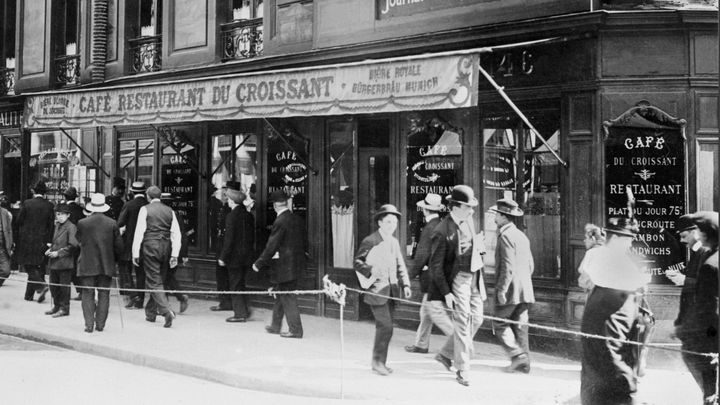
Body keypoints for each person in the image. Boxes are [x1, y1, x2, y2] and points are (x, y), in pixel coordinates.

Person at [580, 217, 650, 405]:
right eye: (628, 240)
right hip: (609, 320)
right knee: (611, 363)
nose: (629, 244)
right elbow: (621, 281)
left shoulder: (607, 255)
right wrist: (642, 279)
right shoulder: (604, 255)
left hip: (611, 317)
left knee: (606, 364)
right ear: (617, 238)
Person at [427, 185, 486, 386]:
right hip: (457, 279)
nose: (472, 210)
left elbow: (474, 246)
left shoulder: (469, 221)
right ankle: (463, 369)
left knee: (477, 319)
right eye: (468, 207)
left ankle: (445, 353)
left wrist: (480, 247)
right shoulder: (441, 230)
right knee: (462, 323)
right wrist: (447, 293)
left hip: (474, 276)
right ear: (457, 206)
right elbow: (435, 267)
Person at [354, 204, 411, 376]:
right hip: (376, 291)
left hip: (391, 291)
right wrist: (371, 270)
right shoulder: (370, 240)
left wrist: (406, 284)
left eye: (394, 222)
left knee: (387, 328)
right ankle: (377, 362)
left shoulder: (393, 241)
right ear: (379, 222)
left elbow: (400, 264)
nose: (392, 225)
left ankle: (380, 362)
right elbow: (357, 262)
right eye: (388, 222)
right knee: (385, 326)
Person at [252, 189, 307, 339]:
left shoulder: (280, 221)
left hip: (284, 266)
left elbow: (272, 245)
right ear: (286, 203)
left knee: (287, 297)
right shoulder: (296, 218)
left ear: (275, 205)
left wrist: (259, 262)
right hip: (295, 264)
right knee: (281, 294)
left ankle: (296, 330)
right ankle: (275, 326)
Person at [489, 197, 535, 374]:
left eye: (497, 215)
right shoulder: (521, 235)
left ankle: (517, 355)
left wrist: (502, 289)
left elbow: (507, 266)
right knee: (520, 325)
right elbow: (530, 265)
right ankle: (525, 363)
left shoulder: (505, 236)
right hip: (525, 289)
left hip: (511, 290)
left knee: (500, 323)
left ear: (503, 216)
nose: (495, 218)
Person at [404, 193, 454, 355]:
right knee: (426, 312)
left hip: (432, 277)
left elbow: (421, 255)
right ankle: (421, 344)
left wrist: (408, 276)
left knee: (435, 312)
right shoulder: (439, 224)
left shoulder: (429, 228)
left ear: (425, 209)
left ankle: (459, 342)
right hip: (438, 276)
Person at [681, 211, 719, 405]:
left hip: (709, 331)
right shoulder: (709, 254)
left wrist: (687, 327)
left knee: (706, 371)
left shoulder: (709, 261)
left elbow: (708, 302)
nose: (697, 235)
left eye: (699, 231)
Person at [132, 186, 181, 328]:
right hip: (166, 246)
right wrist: (175, 254)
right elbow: (176, 234)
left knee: (154, 281)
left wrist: (135, 253)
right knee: (160, 279)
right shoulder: (170, 211)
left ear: (148, 196)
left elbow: (139, 232)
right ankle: (151, 312)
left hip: (150, 246)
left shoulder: (145, 209)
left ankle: (166, 311)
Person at [76, 194, 124, 333]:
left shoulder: (82, 223)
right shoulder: (112, 223)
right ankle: (100, 325)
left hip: (88, 263)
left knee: (87, 293)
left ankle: (89, 325)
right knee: (104, 294)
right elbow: (119, 246)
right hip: (106, 264)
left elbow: (79, 240)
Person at [219, 189, 255, 322]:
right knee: (241, 283)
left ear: (233, 201)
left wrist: (223, 257)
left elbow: (229, 239)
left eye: (228, 199)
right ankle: (245, 309)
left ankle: (240, 314)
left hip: (234, 257)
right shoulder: (248, 215)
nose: (227, 201)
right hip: (247, 256)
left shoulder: (231, 216)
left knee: (235, 284)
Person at [15, 180, 55, 303]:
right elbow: (51, 226)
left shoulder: (27, 203)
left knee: (29, 266)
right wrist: (49, 241)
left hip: (27, 240)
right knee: (39, 267)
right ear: (44, 193)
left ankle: (41, 286)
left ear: (34, 191)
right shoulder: (49, 205)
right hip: (43, 240)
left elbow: (18, 221)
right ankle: (29, 295)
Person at [117, 181, 149, 309]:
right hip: (145, 243)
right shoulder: (148, 205)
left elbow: (120, 222)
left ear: (132, 192)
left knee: (126, 270)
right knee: (141, 273)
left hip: (129, 242)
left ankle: (133, 295)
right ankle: (140, 300)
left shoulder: (129, 205)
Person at [44, 203, 79, 318]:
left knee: (64, 287)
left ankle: (64, 308)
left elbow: (73, 245)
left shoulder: (71, 227)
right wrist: (50, 250)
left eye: (62, 214)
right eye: (58, 214)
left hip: (64, 262)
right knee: (53, 286)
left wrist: (58, 253)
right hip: (54, 262)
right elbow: (55, 242)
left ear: (68, 215)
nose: (59, 217)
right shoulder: (57, 226)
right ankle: (56, 306)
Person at [160, 192, 190, 314]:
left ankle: (170, 303)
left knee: (164, 278)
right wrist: (184, 254)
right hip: (174, 252)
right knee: (166, 278)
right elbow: (184, 236)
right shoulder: (177, 215)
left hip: (165, 251)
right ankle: (169, 302)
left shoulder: (164, 216)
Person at [209, 182, 234, 312]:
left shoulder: (231, 209)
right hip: (220, 246)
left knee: (227, 276)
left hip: (228, 248)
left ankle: (227, 302)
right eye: (223, 194)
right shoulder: (222, 207)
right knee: (221, 276)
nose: (224, 196)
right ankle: (224, 301)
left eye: (227, 194)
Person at [63, 186, 85, 300]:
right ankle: (80, 290)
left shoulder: (63, 209)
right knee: (76, 266)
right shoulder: (81, 209)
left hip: (65, 241)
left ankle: (64, 291)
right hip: (78, 241)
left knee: (64, 267)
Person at [577, 224, 606, 291]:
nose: (584, 240)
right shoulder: (605, 250)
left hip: (593, 289)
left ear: (593, 239)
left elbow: (581, 269)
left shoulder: (591, 252)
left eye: (586, 238)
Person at [0, 194, 13, 287]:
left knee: (6, 271)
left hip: (2, 247)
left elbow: (9, 230)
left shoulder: (5, 213)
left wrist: (11, 244)